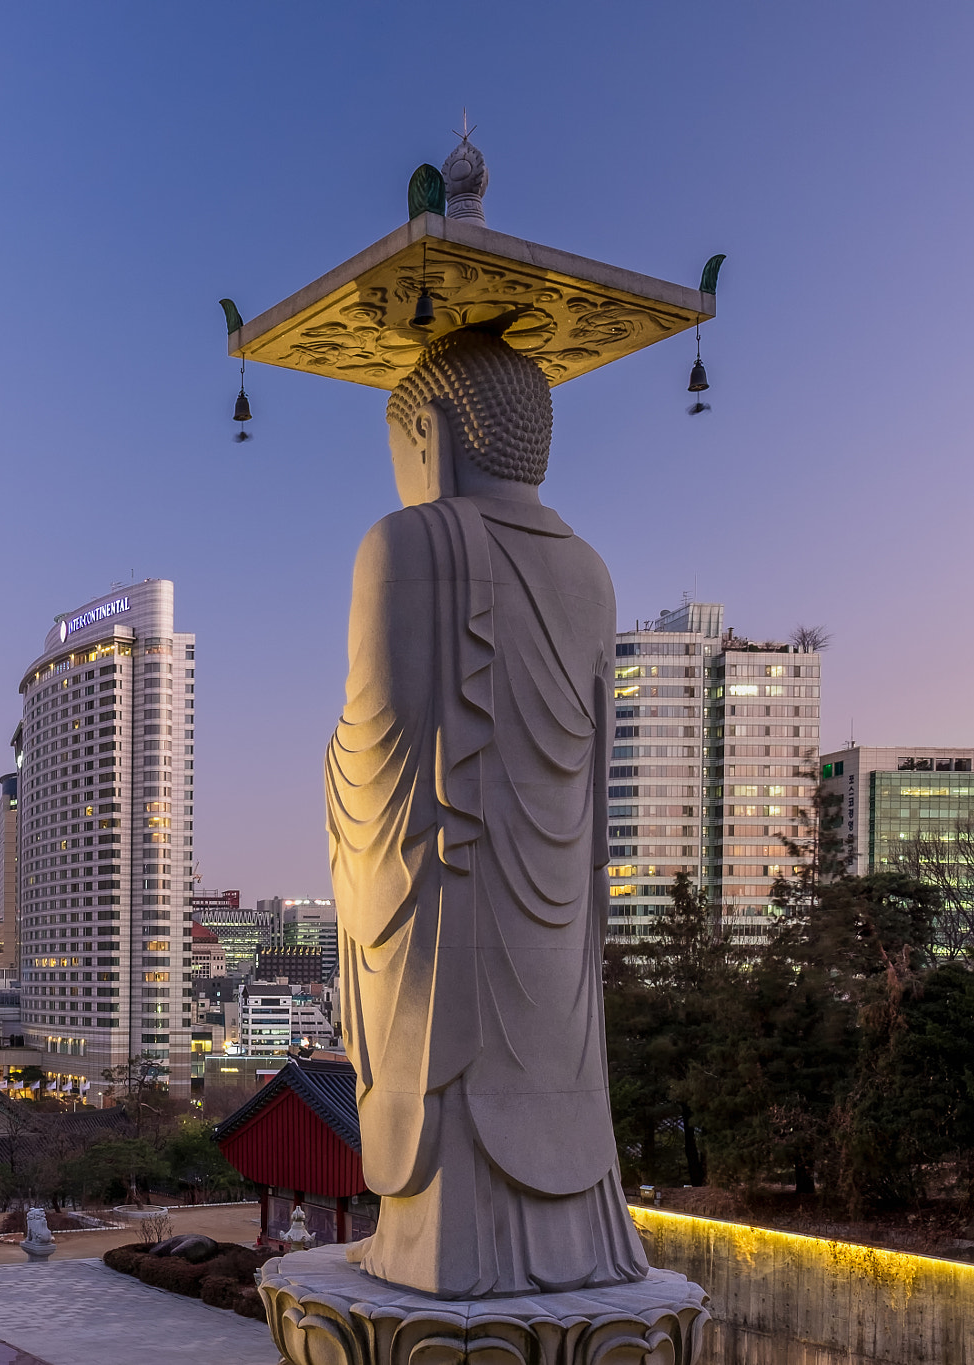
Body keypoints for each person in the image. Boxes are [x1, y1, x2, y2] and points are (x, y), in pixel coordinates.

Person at [326, 326, 648, 1299]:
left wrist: (331, 766)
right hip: (555, 914)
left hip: (448, 901)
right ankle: (573, 1245)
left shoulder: (406, 540)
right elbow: (587, 784)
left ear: (427, 434)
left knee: (441, 1058)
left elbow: (376, 739)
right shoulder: (589, 570)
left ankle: (441, 1245)